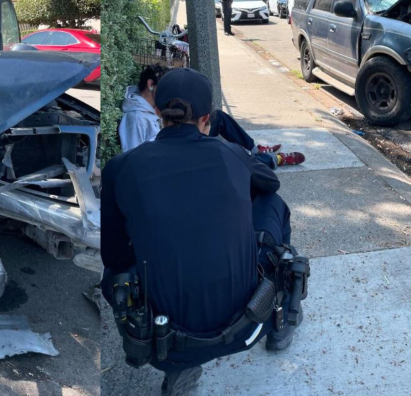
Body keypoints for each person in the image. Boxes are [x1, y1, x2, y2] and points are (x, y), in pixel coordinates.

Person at [103, 69, 307, 395]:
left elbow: (114, 257)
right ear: (207, 118)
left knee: (121, 267)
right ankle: (280, 317)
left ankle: (181, 366)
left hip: (161, 340)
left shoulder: (121, 168)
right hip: (248, 324)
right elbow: (270, 184)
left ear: (157, 110)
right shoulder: (232, 155)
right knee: (273, 204)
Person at [120, 65, 305, 167]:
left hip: (177, 136)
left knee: (220, 118)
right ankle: (274, 159)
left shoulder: (150, 106)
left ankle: (255, 150)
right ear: (151, 84)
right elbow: (136, 155)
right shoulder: (136, 118)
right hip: (173, 148)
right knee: (228, 153)